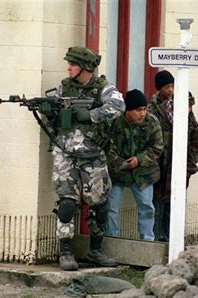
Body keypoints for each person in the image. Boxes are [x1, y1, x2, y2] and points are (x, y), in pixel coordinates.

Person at [39, 46, 125, 270]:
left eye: (73, 64)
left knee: (99, 203)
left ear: (85, 67)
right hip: (65, 153)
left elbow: (118, 106)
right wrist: (49, 111)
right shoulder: (64, 88)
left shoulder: (103, 89)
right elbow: (52, 117)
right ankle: (65, 252)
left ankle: (95, 250)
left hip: (93, 155)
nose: (68, 68)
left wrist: (92, 115)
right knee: (67, 203)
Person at [148, 70, 198, 242]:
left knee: (175, 203)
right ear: (159, 89)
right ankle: (158, 239)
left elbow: (194, 137)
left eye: (172, 86)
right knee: (157, 203)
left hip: (179, 165)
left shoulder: (183, 107)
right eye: (167, 87)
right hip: (160, 164)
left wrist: (191, 163)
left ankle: (174, 240)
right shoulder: (153, 110)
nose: (170, 90)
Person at [105, 89, 163, 241]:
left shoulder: (152, 122)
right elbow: (107, 148)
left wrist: (139, 159)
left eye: (144, 109)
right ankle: (112, 241)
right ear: (128, 110)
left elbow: (157, 147)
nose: (142, 113)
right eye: (138, 110)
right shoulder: (115, 123)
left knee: (146, 208)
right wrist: (121, 163)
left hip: (143, 173)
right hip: (118, 172)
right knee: (111, 209)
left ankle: (147, 242)